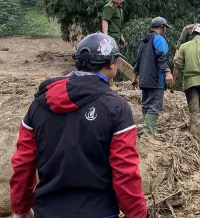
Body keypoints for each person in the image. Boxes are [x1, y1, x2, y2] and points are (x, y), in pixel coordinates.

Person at [9, 33, 146, 218]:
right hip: (99, 211)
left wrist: (21, 207)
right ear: (112, 63)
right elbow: (125, 172)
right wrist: (136, 214)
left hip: (47, 211)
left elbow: (23, 163)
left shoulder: (39, 105)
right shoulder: (116, 107)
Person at [133, 17, 174, 137]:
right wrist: (167, 72)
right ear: (161, 27)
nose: (165, 30)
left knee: (146, 105)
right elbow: (161, 57)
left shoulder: (144, 41)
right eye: (165, 27)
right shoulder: (159, 39)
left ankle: (147, 131)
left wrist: (135, 77)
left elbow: (138, 60)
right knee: (155, 105)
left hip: (144, 79)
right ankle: (147, 133)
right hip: (156, 79)